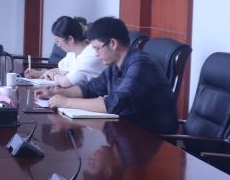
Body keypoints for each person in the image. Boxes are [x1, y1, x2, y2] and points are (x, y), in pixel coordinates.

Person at [35, 16, 177, 134]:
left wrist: (67, 102)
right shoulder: (115, 65)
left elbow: (116, 103)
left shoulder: (140, 65)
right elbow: (89, 88)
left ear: (113, 44)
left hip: (152, 139)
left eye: (97, 48)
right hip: (126, 131)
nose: (96, 54)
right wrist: (57, 93)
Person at [25, 16, 103, 88]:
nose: (58, 45)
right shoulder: (72, 53)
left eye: (58, 41)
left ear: (70, 39)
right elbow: (60, 70)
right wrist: (37, 73)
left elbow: (65, 82)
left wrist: (53, 76)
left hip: (92, 96)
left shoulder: (91, 54)